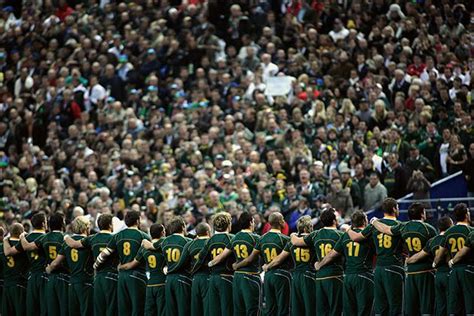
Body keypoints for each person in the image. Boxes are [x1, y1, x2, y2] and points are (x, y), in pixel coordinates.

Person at [372, 203, 437, 315]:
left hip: (410, 272)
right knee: (427, 306)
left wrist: (374, 221)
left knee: (410, 308)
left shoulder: (403, 227)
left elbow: (386, 229)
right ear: (422, 214)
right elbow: (435, 250)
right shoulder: (429, 229)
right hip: (426, 271)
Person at [348, 198, 405, 315]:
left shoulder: (373, 226)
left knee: (380, 307)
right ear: (394, 209)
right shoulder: (400, 225)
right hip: (394, 268)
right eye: (397, 207)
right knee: (395, 306)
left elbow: (356, 237)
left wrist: (348, 229)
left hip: (378, 270)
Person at [315, 211, 375, 316]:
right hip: (364, 276)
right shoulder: (369, 234)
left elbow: (331, 254)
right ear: (364, 221)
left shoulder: (345, 236)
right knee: (364, 310)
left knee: (349, 311)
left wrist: (319, 265)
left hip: (348, 278)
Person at [233, 212, 291, 316]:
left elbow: (251, 257)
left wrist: (237, 265)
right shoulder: (285, 239)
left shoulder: (262, 239)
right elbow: (282, 259)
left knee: (269, 309)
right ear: (281, 222)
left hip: (268, 276)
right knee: (283, 308)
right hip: (281, 275)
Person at [94, 210, 150, 316]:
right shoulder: (143, 236)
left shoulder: (117, 236)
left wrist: (95, 265)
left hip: (122, 277)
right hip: (138, 275)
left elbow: (104, 254)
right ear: (138, 221)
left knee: (123, 309)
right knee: (137, 308)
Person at [291, 208, 344, 316]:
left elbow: (296, 241)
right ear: (334, 221)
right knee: (335, 310)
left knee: (321, 311)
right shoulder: (341, 235)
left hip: (319, 278)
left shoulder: (315, 234)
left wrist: (292, 235)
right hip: (334, 276)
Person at [208, 212, 261, 316]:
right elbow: (250, 259)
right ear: (251, 222)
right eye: (253, 221)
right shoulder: (256, 238)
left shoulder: (235, 238)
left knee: (238, 310)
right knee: (253, 309)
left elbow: (222, 256)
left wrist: (210, 264)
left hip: (237, 277)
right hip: (251, 275)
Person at [64, 214, 118, 316]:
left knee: (98, 310)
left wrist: (66, 236)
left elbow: (74, 244)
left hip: (97, 278)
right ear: (110, 225)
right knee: (112, 309)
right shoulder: (116, 238)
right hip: (112, 277)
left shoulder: (92, 238)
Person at [263, 215, 316, 316]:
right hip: (310, 276)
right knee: (310, 308)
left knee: (296, 308)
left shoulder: (292, 241)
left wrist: (267, 266)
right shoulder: (312, 239)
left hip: (295, 277)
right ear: (307, 228)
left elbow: (279, 259)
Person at [21, 212, 68, 316]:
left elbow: (27, 246)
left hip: (48, 277)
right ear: (62, 224)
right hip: (63, 276)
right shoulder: (66, 238)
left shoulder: (45, 237)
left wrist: (22, 236)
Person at [142, 217, 192, 316]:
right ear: (182, 227)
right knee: (183, 309)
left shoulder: (164, 241)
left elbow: (151, 246)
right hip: (182, 278)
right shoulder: (188, 241)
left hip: (168, 280)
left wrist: (144, 241)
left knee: (170, 311)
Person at [406, 216, 454, 316]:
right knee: (453, 305)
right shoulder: (450, 238)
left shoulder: (432, 241)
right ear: (450, 226)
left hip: (437, 277)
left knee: (440, 306)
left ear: (439, 228)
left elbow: (418, 256)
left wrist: (408, 260)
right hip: (450, 275)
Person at [46, 216, 94, 316]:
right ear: (85, 228)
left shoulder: (66, 243)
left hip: (72, 283)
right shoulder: (89, 241)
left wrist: (48, 268)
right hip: (86, 282)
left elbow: (55, 263)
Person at [3, 212, 47, 316]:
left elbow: (8, 252)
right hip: (45, 276)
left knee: (32, 309)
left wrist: (5, 239)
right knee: (45, 308)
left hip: (31, 277)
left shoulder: (26, 238)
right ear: (44, 224)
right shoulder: (47, 238)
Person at [434, 203, 473, 315]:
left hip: (453, 271)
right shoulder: (471, 231)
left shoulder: (448, 232)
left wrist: (435, 264)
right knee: (470, 305)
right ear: (466, 214)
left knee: (454, 306)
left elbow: (439, 255)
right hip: (468, 269)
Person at [120, 223, 166, 316]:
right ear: (162, 232)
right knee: (162, 311)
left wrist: (120, 267)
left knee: (149, 312)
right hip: (162, 283)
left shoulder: (144, 248)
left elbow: (132, 264)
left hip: (149, 285)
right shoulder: (165, 243)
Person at [193, 212, 234, 316]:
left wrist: (193, 271)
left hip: (212, 279)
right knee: (227, 309)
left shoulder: (210, 240)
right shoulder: (232, 238)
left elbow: (201, 258)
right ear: (228, 224)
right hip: (227, 277)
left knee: (214, 311)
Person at [183, 223, 212, 316]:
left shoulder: (190, 244)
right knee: (207, 308)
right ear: (208, 232)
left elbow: (182, 262)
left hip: (194, 279)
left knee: (195, 308)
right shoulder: (211, 243)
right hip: (208, 277)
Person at [1, 223, 28, 316]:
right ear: (21, 232)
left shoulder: (2, 247)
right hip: (20, 284)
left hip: (6, 284)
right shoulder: (24, 245)